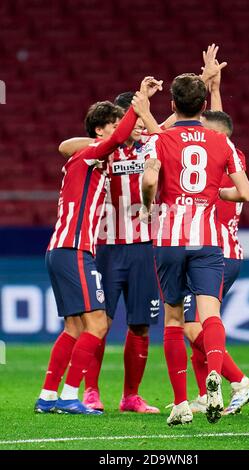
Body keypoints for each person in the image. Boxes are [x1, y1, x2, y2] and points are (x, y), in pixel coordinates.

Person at [139, 51, 249, 425]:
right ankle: (217, 377)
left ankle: (182, 404)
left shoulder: (161, 139)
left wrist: (148, 203)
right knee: (210, 316)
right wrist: (215, 196)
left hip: (171, 238)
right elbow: (246, 193)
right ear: (204, 105)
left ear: (172, 104)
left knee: (173, 320)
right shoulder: (224, 144)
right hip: (208, 239)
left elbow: (151, 179)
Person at [35, 77, 159, 415]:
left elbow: (159, 134)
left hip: (64, 248)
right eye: (115, 123)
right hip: (78, 250)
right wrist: (138, 104)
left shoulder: (91, 158)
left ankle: (48, 397)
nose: (121, 128)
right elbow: (96, 140)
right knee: (99, 324)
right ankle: (73, 395)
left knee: (74, 326)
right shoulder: (91, 153)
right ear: (101, 130)